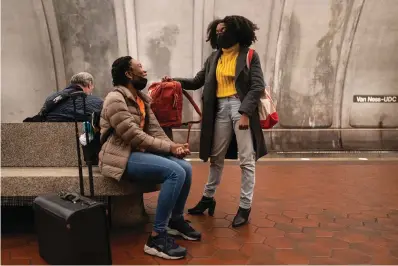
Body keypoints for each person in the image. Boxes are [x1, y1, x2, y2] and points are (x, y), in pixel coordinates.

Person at [163, 15, 267, 228]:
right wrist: (175, 81)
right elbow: (197, 81)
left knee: (246, 160)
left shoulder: (249, 56)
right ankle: (208, 198)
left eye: (224, 31)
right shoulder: (214, 58)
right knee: (215, 157)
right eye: (217, 32)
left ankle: (245, 207)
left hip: (241, 108)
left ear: (237, 33)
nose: (220, 35)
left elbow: (257, 86)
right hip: (219, 109)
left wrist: (246, 113)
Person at [99, 56, 201, 260]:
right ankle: (157, 237)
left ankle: (176, 220)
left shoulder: (141, 98)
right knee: (174, 172)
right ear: (128, 74)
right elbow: (133, 135)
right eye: (140, 67)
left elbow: (155, 130)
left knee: (185, 168)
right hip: (119, 155)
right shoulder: (115, 99)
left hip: (138, 153)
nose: (144, 71)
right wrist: (169, 148)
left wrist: (175, 148)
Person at [35, 72, 103, 122]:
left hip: (50, 137)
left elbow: (41, 115)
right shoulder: (96, 101)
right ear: (89, 84)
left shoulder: (52, 97)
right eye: (92, 87)